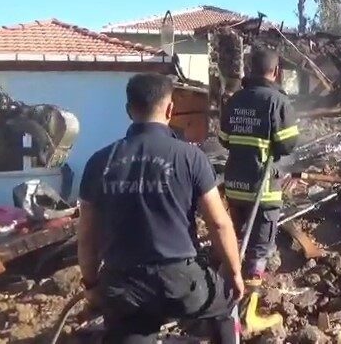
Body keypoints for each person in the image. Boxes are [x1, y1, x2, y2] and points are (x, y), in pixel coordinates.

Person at [77, 73, 244, 344]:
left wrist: (91, 284)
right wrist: (234, 274)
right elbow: (220, 223)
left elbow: (86, 235)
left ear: (129, 110)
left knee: (129, 330)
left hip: (123, 284)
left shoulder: (99, 162)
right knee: (225, 304)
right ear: (170, 109)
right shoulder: (191, 157)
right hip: (180, 282)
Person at [219, 47, 299, 332]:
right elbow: (288, 143)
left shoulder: (235, 100)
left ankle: (226, 306)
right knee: (258, 251)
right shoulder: (278, 101)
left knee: (237, 245)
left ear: (250, 70)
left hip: (235, 187)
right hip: (262, 191)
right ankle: (245, 317)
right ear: (276, 72)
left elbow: (225, 139)